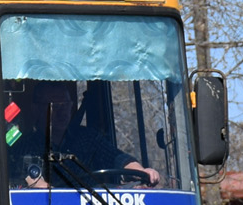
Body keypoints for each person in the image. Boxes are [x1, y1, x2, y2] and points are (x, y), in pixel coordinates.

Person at [8, 80, 160, 187]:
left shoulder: (88, 138)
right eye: (54, 106)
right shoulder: (23, 147)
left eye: (66, 105)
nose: (62, 112)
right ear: (37, 109)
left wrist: (140, 171)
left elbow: (116, 157)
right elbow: (22, 181)